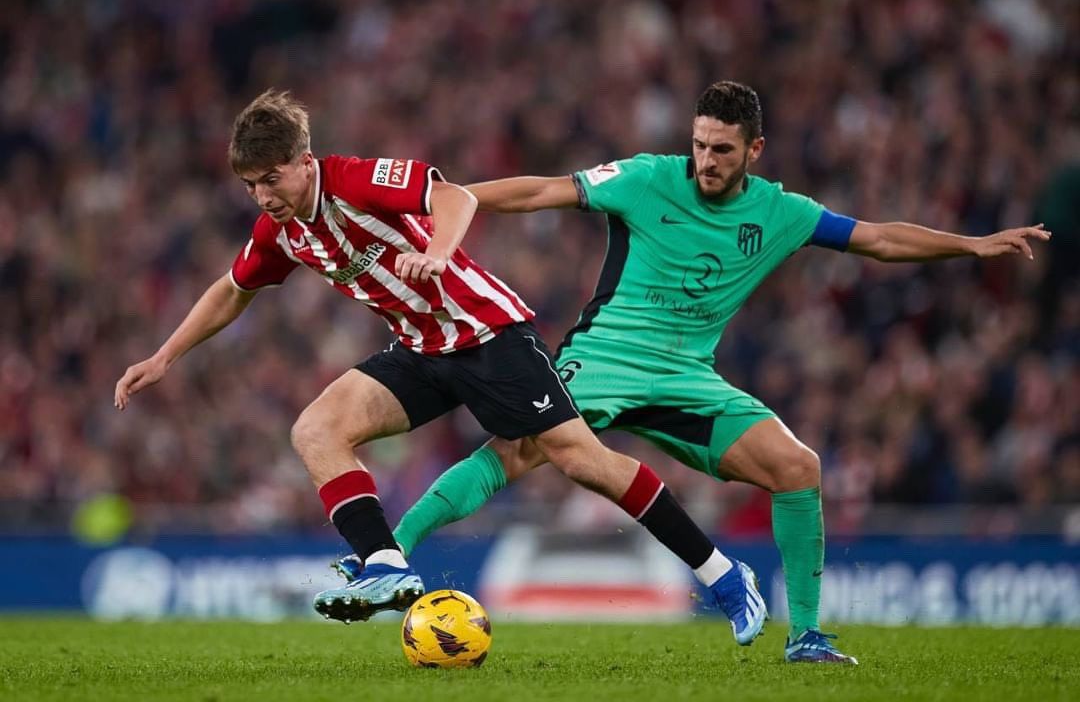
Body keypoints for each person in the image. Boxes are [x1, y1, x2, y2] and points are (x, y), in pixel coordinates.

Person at [393, 81, 1052, 663]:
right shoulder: (648, 177)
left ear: (755, 151)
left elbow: (877, 240)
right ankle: (390, 552)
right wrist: (447, 202)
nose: (706, 161)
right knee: (513, 448)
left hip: (686, 375)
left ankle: (808, 636)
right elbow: (543, 190)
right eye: (701, 145)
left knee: (798, 468)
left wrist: (969, 244)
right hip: (604, 360)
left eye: (723, 151)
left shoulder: (780, 213)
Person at [113, 89, 767, 641]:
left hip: (488, 334)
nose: (262, 197)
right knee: (316, 429)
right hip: (421, 350)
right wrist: (165, 355)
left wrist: (439, 252)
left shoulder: (354, 180)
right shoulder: (283, 231)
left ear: (304, 163)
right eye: (251, 185)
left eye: (271, 179)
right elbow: (233, 290)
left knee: (582, 461)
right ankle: (386, 563)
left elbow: (452, 197)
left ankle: (723, 575)